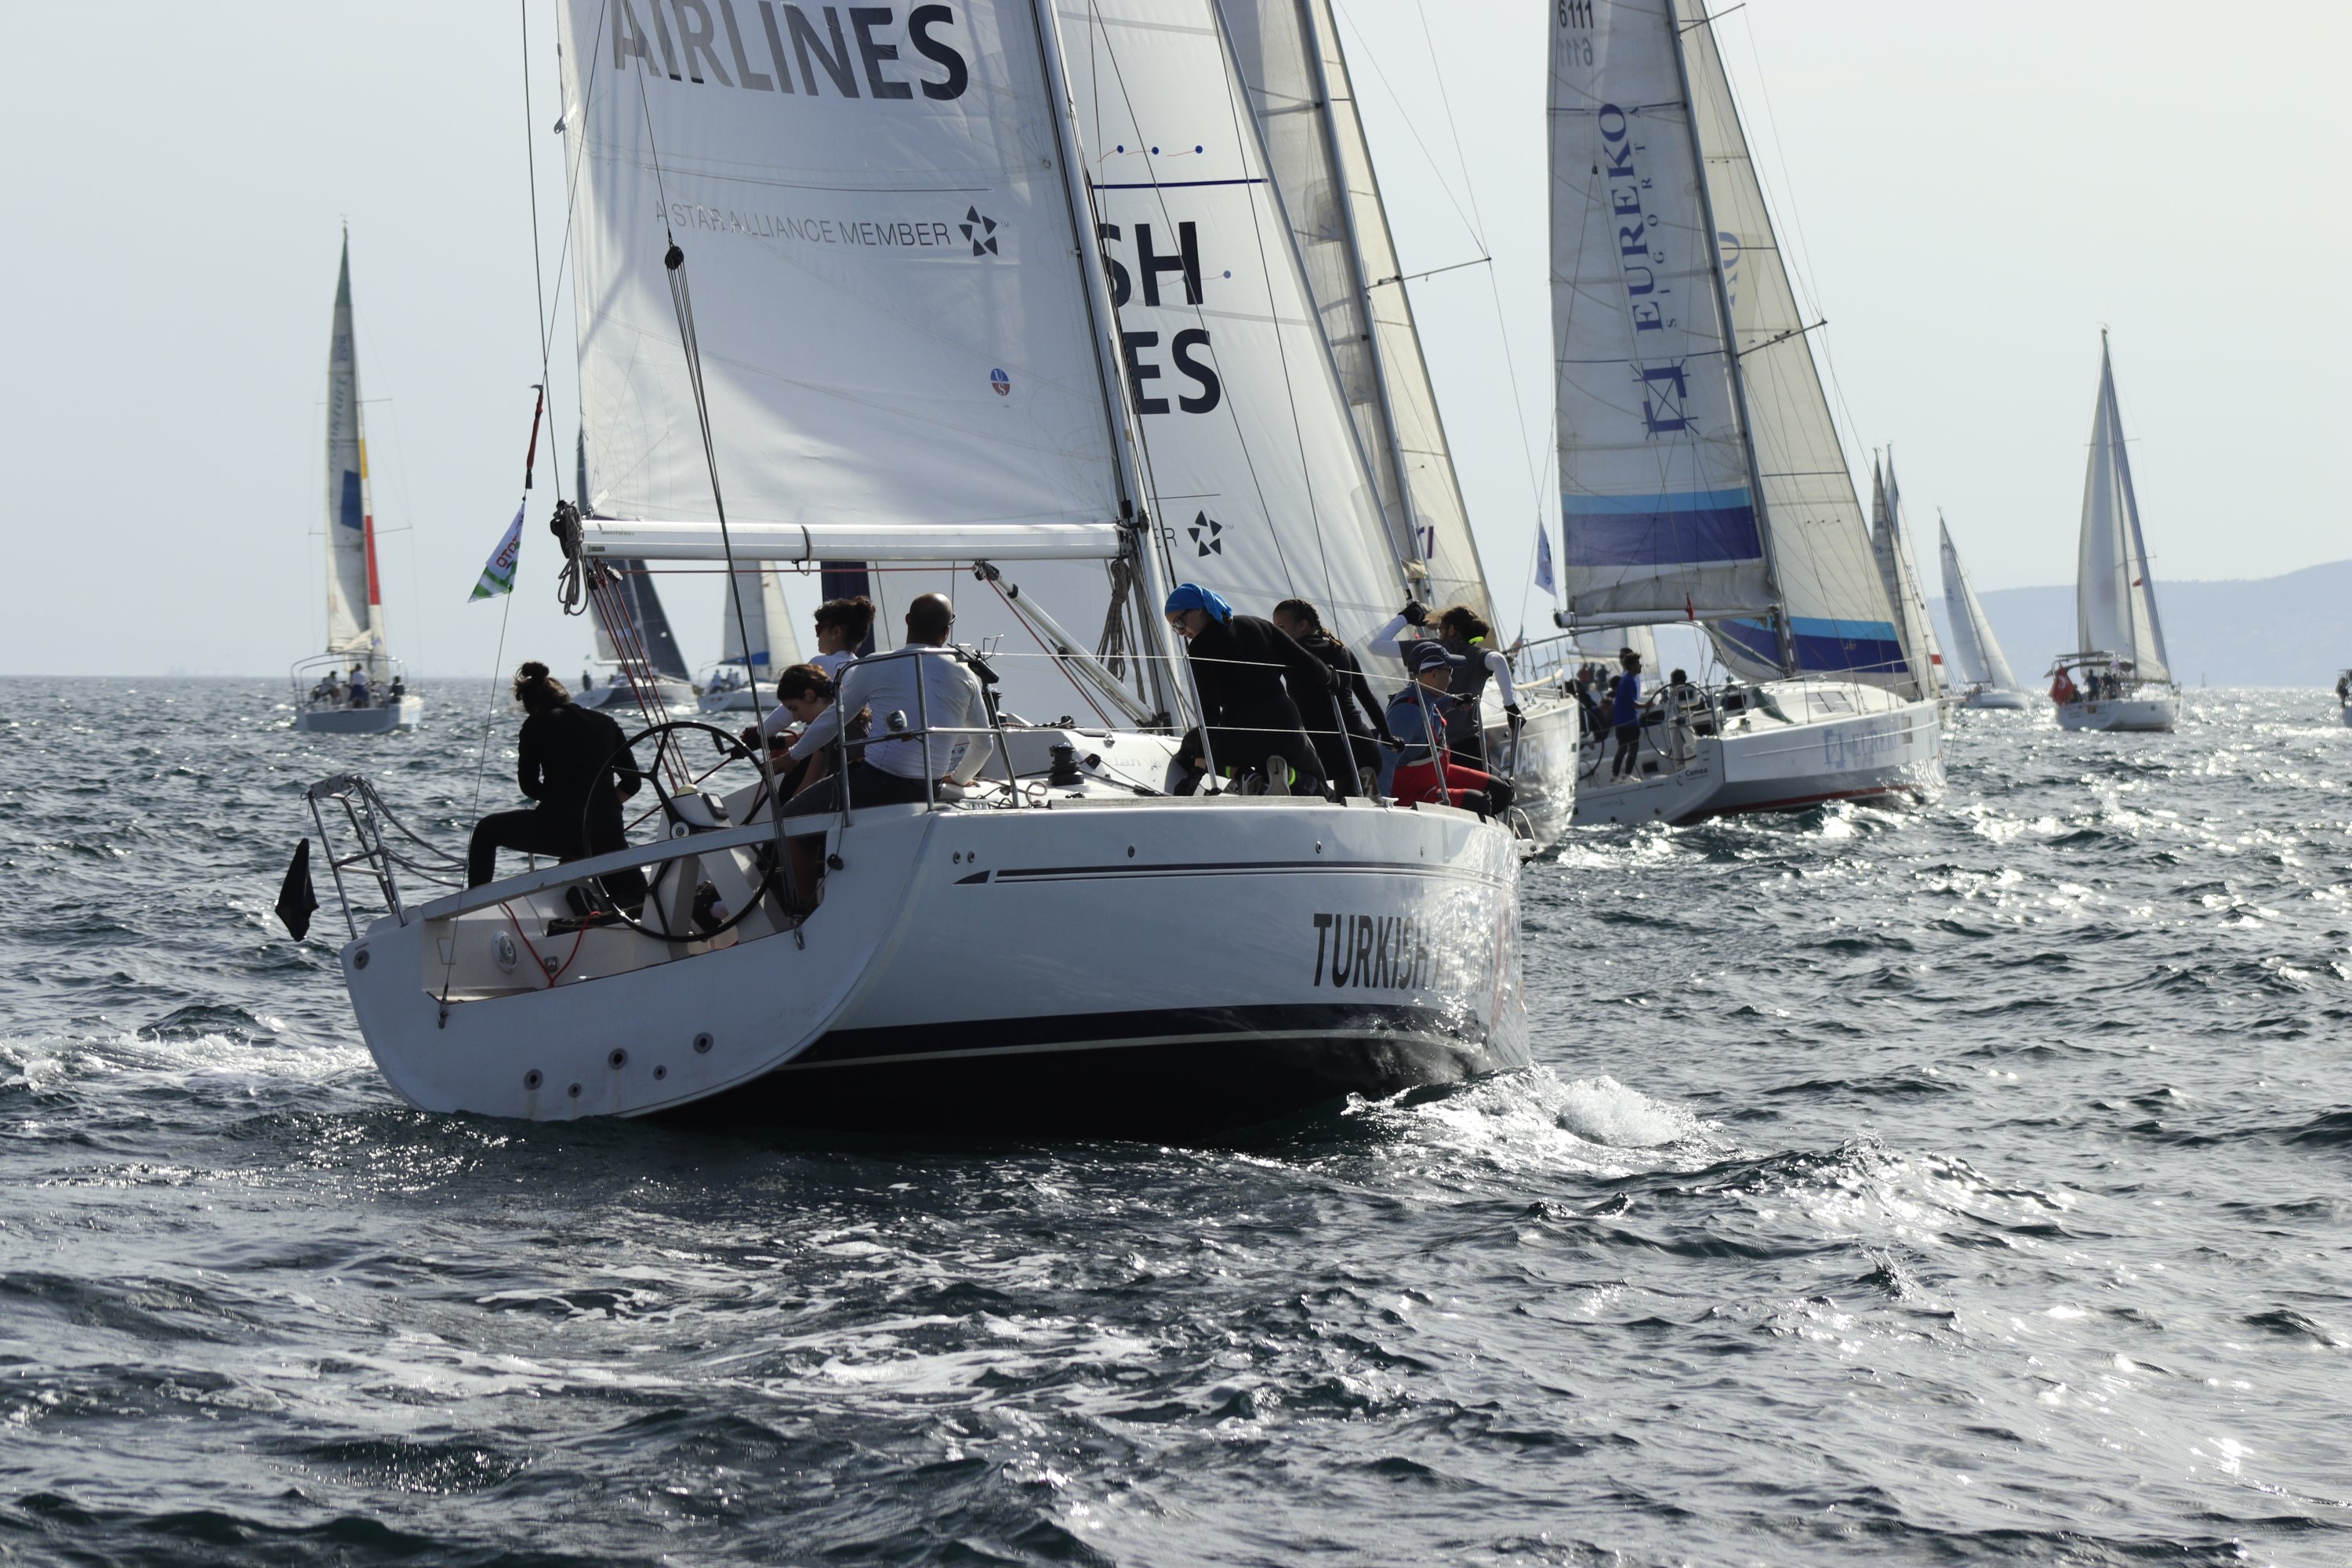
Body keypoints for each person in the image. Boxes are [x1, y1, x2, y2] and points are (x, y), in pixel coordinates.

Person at [774, 593, 993, 906]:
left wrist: (792, 757)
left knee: (789, 821)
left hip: (876, 783)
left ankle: (806, 916)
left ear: (906, 621)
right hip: (926, 788)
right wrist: (957, 780)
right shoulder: (967, 676)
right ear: (947, 632)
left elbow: (830, 722)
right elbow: (984, 745)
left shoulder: (876, 665)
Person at [466, 662, 646, 891]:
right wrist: (593, 807)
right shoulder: (606, 722)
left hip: (561, 828)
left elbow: (529, 786)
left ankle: (474, 905)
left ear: (531, 705)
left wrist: (561, 801)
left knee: (486, 830)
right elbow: (633, 783)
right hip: (607, 831)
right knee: (636, 898)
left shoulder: (535, 725)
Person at [1163, 583, 1330, 795]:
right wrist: (1331, 679)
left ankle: (1244, 775)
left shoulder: (1200, 647)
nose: (1181, 632)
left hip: (1243, 732)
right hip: (1287, 728)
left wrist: (1198, 770)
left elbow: (1210, 710)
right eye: (1175, 628)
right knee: (1321, 786)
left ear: (1200, 609)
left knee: (1190, 745)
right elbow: (1307, 661)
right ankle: (1290, 777)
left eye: (1180, 622)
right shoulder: (1258, 624)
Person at [1367, 601, 1522, 769]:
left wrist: (1405, 617)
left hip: (1433, 749)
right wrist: (1510, 706)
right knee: (1484, 792)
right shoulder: (1478, 655)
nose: (1439, 635)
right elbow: (1498, 660)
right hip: (1470, 746)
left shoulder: (1430, 650)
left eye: (1440, 630)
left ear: (1452, 630)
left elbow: (1376, 646)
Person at [1271, 597, 1388, 798]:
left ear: (1303, 625)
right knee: (1353, 804)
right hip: (1362, 744)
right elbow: (1368, 699)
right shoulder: (1342, 649)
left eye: (1281, 627)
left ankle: (1311, 786)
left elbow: (1267, 689)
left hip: (1324, 751)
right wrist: (1388, 737)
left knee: (1304, 781)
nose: (1278, 634)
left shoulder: (1287, 653)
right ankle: (1365, 786)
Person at [1384, 641, 1512, 818]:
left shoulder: (1424, 696)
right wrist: (1383, 806)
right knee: (1479, 803)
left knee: (1502, 791)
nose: (1451, 679)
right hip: (1410, 794)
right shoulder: (1407, 712)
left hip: (1434, 777)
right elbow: (1386, 757)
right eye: (1449, 671)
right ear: (1434, 674)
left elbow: (1432, 708)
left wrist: (1453, 701)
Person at [1610, 648, 1643, 779]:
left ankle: (1615, 776)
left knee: (1622, 749)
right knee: (1633, 749)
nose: (1640, 666)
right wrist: (1646, 705)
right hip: (1629, 721)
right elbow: (1632, 702)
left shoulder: (1624, 679)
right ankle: (1626, 776)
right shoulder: (1629, 680)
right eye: (1637, 663)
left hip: (1621, 721)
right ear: (1631, 666)